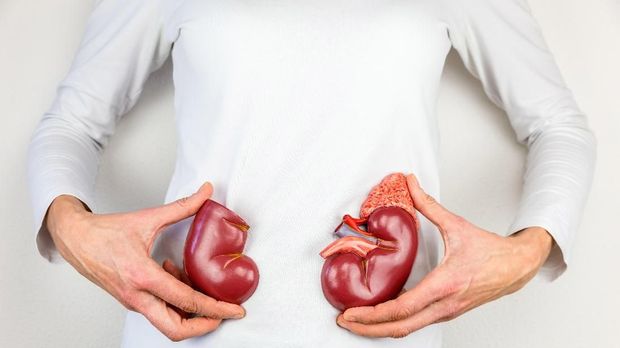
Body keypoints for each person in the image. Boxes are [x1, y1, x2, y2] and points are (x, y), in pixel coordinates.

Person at [26, 0, 597, 346]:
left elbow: (559, 126)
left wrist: (525, 253)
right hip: (194, 339)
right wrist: (73, 229)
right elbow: (72, 124)